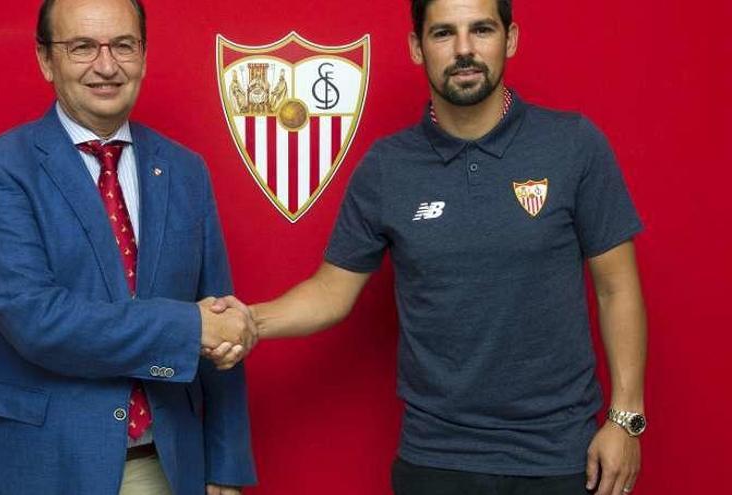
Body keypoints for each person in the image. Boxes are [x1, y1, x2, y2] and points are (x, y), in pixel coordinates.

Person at [207, 0, 647, 494]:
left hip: (561, 456)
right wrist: (250, 321)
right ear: (418, 47)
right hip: (436, 459)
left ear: (511, 38)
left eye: (481, 29)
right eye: (443, 34)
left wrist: (626, 419)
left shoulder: (574, 145)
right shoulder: (386, 167)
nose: (464, 50)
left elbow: (617, 289)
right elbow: (332, 290)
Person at [0, 0, 257, 493]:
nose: (107, 65)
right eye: (82, 47)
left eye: (123, 45)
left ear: (143, 55)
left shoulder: (185, 170)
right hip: (38, 466)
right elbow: (36, 319)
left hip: (164, 463)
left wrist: (226, 462)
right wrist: (190, 324)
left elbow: (219, 319)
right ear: (45, 60)